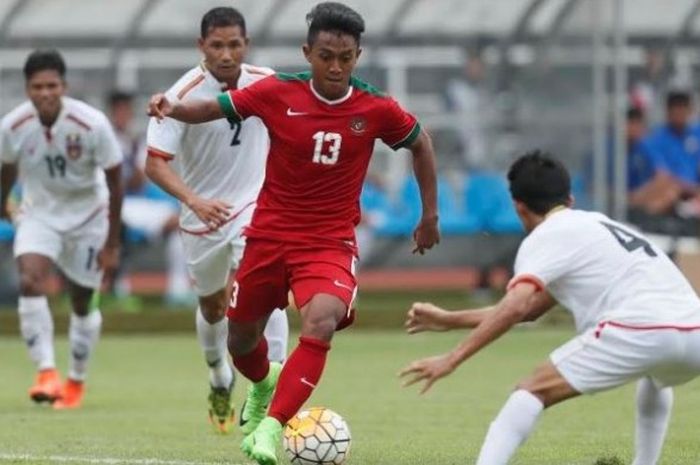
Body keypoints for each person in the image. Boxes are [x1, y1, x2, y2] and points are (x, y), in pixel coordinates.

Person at [148, 2, 440, 463]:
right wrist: (175, 108)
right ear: (308, 52)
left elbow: (421, 144)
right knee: (239, 338)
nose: (336, 66)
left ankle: (271, 426)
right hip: (269, 235)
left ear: (358, 55)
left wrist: (430, 218)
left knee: (321, 319)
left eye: (346, 57)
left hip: (329, 242)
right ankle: (263, 382)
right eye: (326, 55)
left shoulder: (377, 107)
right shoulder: (277, 92)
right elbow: (213, 108)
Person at [400, 151, 700, 465]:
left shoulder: (546, 237)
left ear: (518, 207)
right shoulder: (598, 223)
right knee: (656, 376)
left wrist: (452, 359)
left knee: (530, 392)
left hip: (638, 329)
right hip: (693, 333)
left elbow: (515, 307)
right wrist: (451, 320)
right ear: (569, 199)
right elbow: (528, 308)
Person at [145, 7, 289, 434]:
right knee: (213, 307)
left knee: (267, 290)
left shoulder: (268, 81)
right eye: (217, 45)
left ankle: (269, 385)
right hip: (201, 214)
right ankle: (218, 376)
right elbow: (155, 165)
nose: (227, 54)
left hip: (255, 206)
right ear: (201, 47)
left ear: (247, 45)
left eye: (235, 44)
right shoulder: (180, 94)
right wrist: (195, 199)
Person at [0, 49, 123, 409]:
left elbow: (115, 180)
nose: (45, 93)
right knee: (29, 279)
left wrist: (112, 243)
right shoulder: (12, 126)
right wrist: (2, 201)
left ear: (63, 86)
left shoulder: (91, 123)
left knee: (82, 301)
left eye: (52, 85)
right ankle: (46, 373)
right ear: (28, 89)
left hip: (88, 217)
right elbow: (6, 167)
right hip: (40, 214)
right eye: (37, 86)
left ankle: (76, 380)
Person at [107, 90, 190, 307]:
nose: (123, 115)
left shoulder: (136, 141)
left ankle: (177, 290)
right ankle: (119, 289)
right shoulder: (104, 138)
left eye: (126, 110)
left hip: (136, 202)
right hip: (112, 202)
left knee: (180, 222)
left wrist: (135, 154)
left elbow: (139, 180)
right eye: (119, 110)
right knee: (116, 227)